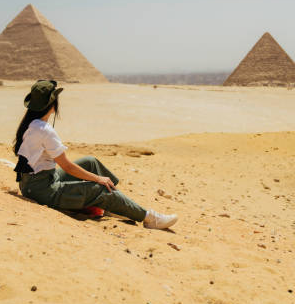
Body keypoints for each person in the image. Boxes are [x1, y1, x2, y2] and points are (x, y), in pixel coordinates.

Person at [14, 80, 178, 230]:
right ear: (53, 106)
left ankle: (115, 205)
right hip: (43, 190)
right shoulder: (45, 130)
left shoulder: (30, 123)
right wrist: (98, 179)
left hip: (35, 183)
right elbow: (67, 166)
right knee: (100, 188)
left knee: (90, 162)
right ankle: (149, 218)